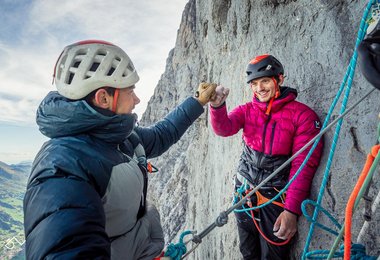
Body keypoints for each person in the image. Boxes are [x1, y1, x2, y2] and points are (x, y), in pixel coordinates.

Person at [23, 40, 216, 260]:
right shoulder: (61, 164)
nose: (137, 99)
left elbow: (160, 136)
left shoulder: (119, 136)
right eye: (130, 91)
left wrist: (198, 101)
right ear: (103, 98)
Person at [209, 54, 324, 260]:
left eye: (264, 81)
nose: (259, 88)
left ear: (279, 79)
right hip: (244, 193)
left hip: (274, 199)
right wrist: (217, 107)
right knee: (248, 253)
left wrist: (291, 211)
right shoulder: (248, 110)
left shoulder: (303, 117)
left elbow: (303, 166)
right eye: (254, 83)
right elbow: (224, 128)